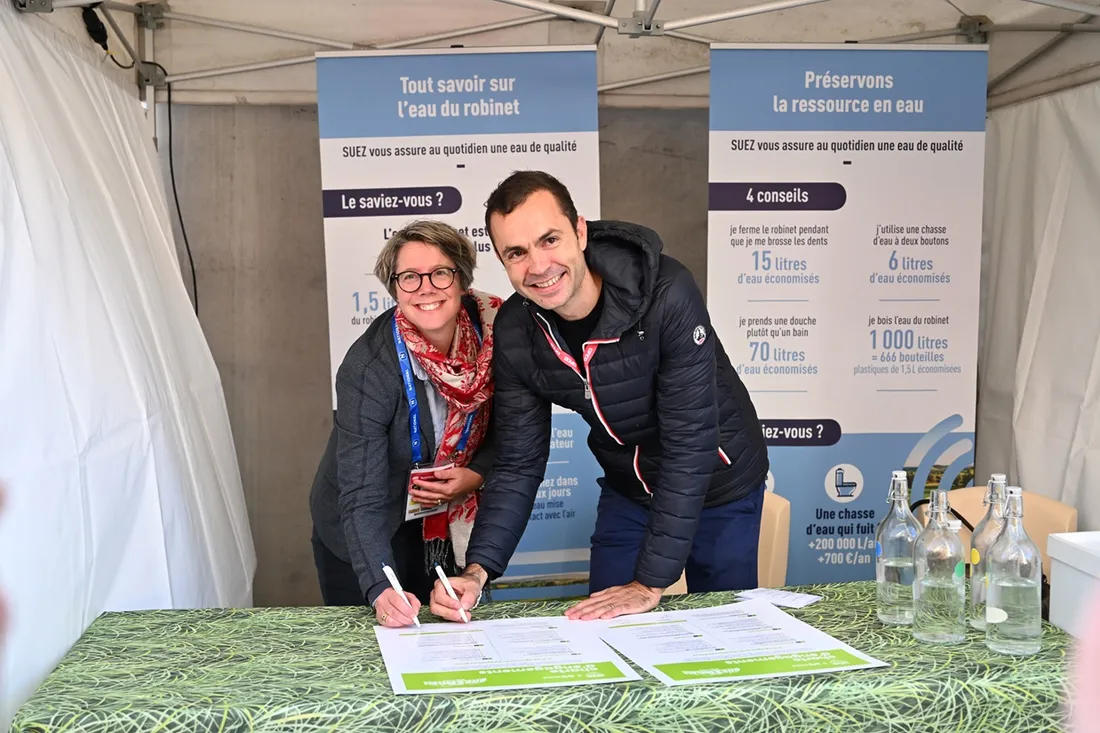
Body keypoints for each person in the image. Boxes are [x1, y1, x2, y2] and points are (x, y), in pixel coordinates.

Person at [431, 170, 769, 623]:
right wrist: (477, 572)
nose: (538, 266)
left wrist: (650, 583)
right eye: (517, 252)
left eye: (549, 240)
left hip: (717, 481)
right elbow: (517, 462)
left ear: (580, 231)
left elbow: (690, 444)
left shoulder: (667, 292)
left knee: (724, 631)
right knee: (601, 629)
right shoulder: (515, 330)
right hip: (629, 489)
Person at [309, 220, 502, 627]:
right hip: (364, 525)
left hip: (446, 521)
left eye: (441, 273)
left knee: (452, 639)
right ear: (394, 287)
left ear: (462, 280)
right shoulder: (368, 367)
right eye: (409, 277)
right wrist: (380, 587)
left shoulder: (497, 335)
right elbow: (361, 492)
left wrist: (477, 473)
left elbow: (515, 432)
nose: (426, 288)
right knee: (375, 647)